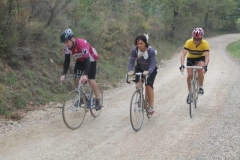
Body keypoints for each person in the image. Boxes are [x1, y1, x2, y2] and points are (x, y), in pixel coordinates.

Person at [60, 28, 102, 110]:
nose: (65, 44)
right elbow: (67, 61)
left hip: (90, 59)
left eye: (67, 42)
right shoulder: (66, 47)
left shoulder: (82, 44)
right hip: (80, 60)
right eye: (64, 42)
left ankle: (98, 99)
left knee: (91, 80)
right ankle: (82, 98)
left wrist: (85, 75)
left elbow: (87, 60)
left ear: (72, 39)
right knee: (76, 78)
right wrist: (63, 74)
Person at [127, 34, 158, 115]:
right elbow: (131, 62)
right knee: (138, 84)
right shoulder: (135, 50)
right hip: (140, 67)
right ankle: (140, 97)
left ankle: (150, 107)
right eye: (138, 43)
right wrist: (130, 70)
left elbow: (153, 63)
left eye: (141, 43)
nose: (139, 45)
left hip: (151, 69)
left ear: (145, 43)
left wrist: (149, 71)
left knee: (148, 87)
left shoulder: (151, 51)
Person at [179, 27, 209, 104]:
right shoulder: (189, 42)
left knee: (200, 70)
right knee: (189, 75)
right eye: (194, 39)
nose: (196, 41)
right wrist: (182, 64)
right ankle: (190, 93)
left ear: (201, 38)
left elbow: (207, 56)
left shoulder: (205, 43)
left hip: (200, 58)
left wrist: (205, 65)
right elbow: (183, 54)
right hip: (190, 58)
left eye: (198, 39)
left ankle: (201, 87)